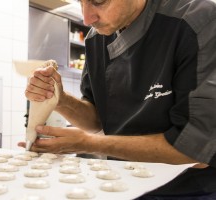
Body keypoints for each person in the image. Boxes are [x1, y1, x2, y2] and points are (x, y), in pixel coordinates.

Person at [19, 0, 216, 199]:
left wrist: (89, 144)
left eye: (98, 2)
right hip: (122, 183)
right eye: (81, 1)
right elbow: (95, 120)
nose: (87, 19)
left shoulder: (198, 21)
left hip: (188, 190)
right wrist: (60, 100)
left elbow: (195, 149)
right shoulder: (96, 39)